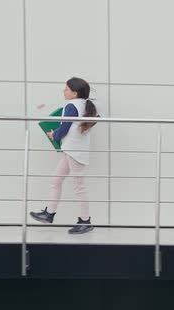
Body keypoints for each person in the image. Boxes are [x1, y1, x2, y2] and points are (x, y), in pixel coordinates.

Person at [29, 77, 98, 234]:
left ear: (74, 93)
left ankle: (85, 221)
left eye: (66, 89)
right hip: (73, 150)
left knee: (79, 186)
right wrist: (82, 128)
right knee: (56, 179)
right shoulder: (84, 104)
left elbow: (65, 126)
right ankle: (49, 213)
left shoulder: (72, 105)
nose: (63, 91)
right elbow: (91, 121)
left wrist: (55, 135)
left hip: (74, 151)